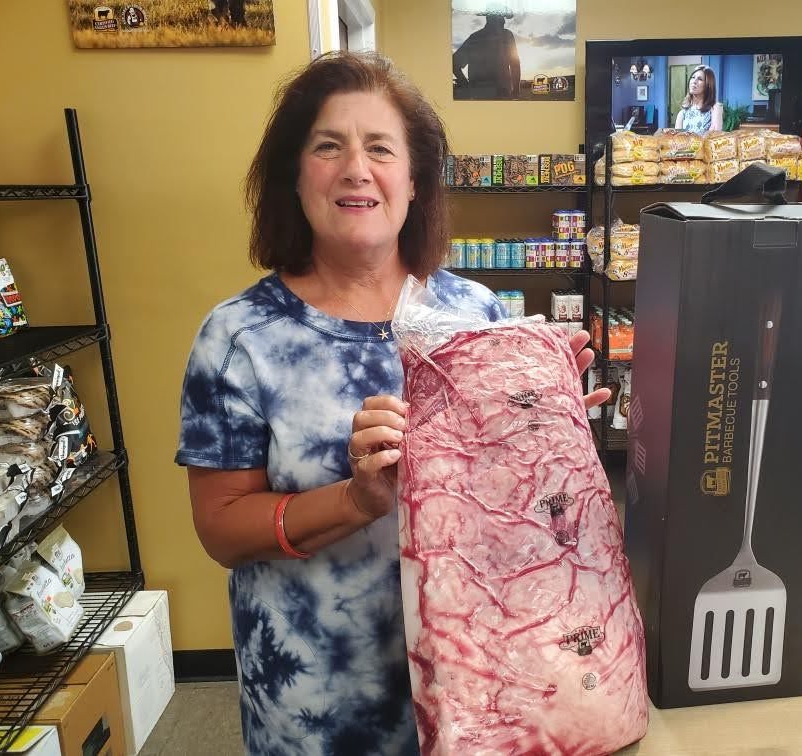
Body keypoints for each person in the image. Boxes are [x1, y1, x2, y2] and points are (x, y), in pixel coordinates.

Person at [175, 51, 608, 756]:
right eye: (327, 146)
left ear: (414, 180)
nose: (355, 168)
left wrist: (550, 442)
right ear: (295, 174)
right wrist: (356, 499)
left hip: (475, 689)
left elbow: (509, 520)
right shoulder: (240, 338)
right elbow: (221, 529)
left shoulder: (480, 315)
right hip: (317, 706)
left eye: (379, 148)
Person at [452, 10, 521, 99]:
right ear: (492, 18)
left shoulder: (474, 38)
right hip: (501, 94)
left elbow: (454, 64)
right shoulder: (506, 35)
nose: (504, 21)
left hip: (478, 94)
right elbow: (515, 64)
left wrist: (465, 85)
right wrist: (516, 91)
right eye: (502, 17)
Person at [674, 65, 723, 135]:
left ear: (708, 85)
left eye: (700, 79)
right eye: (693, 77)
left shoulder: (715, 108)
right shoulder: (682, 113)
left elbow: (714, 137)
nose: (694, 81)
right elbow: (678, 141)